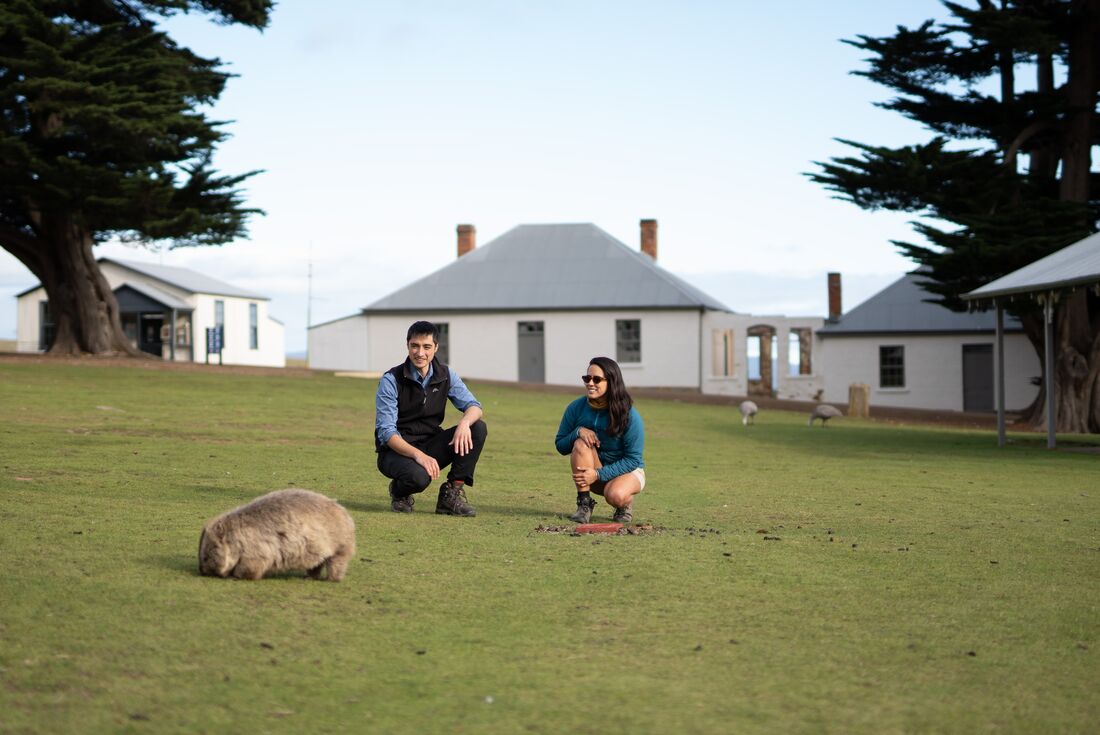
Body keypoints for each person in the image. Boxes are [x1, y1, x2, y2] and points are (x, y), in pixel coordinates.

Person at [375, 321, 487, 516]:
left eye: (426, 347)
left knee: (477, 428)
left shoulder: (446, 375)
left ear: (435, 347)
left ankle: (450, 495)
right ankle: (399, 491)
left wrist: (464, 423)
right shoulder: (391, 380)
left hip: (430, 443)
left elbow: (474, 407)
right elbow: (387, 432)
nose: (420, 353)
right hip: (396, 450)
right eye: (415, 346)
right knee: (419, 478)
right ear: (407, 345)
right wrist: (419, 456)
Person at [554, 356, 645, 524]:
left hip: (627, 471)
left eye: (596, 379)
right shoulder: (576, 407)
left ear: (611, 382)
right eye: (586, 378)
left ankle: (624, 505)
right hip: (593, 473)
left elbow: (633, 459)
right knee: (580, 443)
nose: (590, 383)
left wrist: (597, 474)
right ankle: (584, 504)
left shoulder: (629, 415)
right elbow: (560, 445)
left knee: (615, 495)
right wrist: (578, 431)